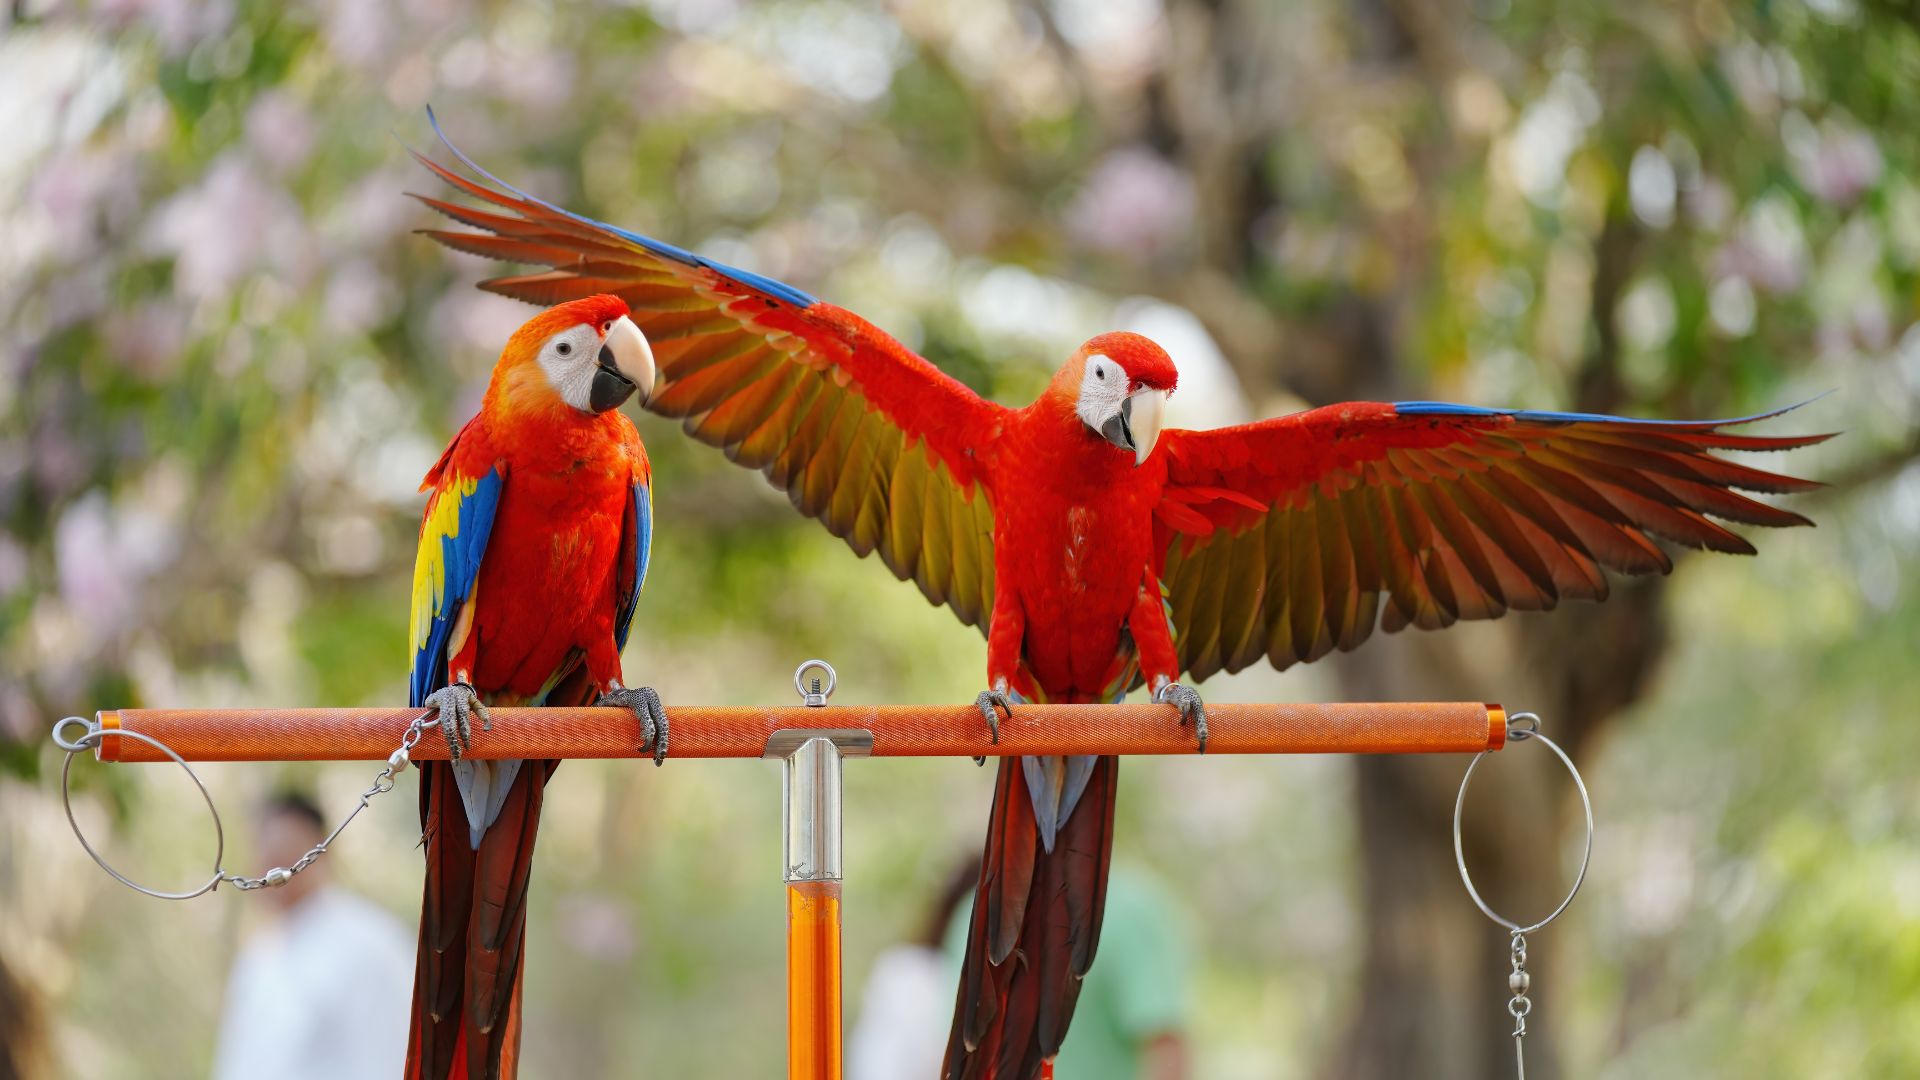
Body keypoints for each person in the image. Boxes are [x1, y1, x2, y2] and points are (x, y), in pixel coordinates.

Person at [210, 791, 413, 1079]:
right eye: (262, 848)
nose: (270, 864)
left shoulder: (371, 945)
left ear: (318, 851)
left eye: (284, 849)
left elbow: (386, 1058)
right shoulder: (258, 955)